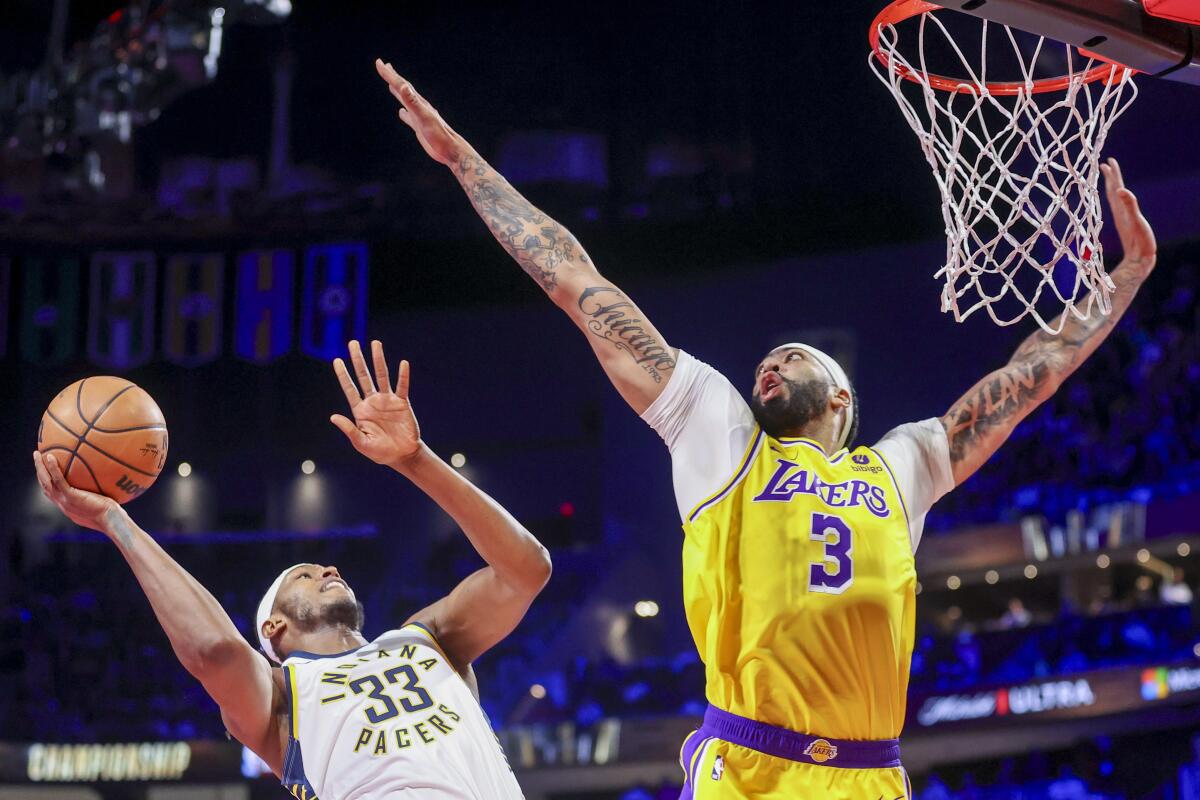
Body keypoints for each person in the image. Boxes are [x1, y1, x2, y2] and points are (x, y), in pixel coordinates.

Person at [374, 60, 1158, 799]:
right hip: (753, 767)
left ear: (842, 397)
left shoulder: (901, 466)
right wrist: (462, 162)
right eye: (763, 364)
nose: (767, 369)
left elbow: (1029, 376)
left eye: (789, 358)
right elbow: (581, 285)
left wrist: (1123, 280)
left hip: (871, 775)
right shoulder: (724, 437)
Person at [32, 340, 550, 800]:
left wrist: (415, 459)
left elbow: (526, 569)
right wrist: (115, 522)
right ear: (273, 628)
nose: (327, 566)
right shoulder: (281, 695)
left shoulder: (427, 640)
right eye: (303, 575)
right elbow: (214, 650)